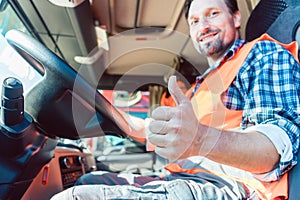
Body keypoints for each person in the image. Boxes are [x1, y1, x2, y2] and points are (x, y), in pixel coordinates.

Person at [51, 0, 300, 199]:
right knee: (88, 180)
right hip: (183, 177)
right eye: (194, 21)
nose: (202, 26)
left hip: (234, 187)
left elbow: (276, 150)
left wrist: (200, 139)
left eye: (212, 13)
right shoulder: (198, 86)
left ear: (235, 18)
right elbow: (162, 131)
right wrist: (108, 116)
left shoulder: (263, 54)